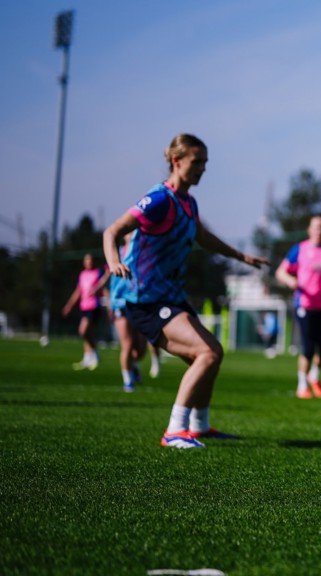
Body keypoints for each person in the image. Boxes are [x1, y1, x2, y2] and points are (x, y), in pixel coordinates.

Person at [103, 133, 269, 449]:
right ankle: (174, 430)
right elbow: (112, 231)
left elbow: (203, 237)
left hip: (169, 297)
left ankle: (199, 426)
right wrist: (113, 262)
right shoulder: (159, 199)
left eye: (205, 163)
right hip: (146, 299)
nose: (203, 169)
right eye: (197, 162)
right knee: (206, 353)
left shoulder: (189, 203)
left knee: (212, 354)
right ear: (177, 161)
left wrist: (241, 256)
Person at [275, 215, 321, 399]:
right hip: (305, 304)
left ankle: (314, 375)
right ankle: (302, 384)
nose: (319, 230)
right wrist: (290, 280)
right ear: (309, 229)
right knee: (307, 347)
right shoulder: (299, 249)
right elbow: (280, 272)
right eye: (316, 227)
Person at [107, 233, 146, 392]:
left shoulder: (143, 253)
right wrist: (111, 304)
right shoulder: (117, 254)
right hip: (121, 304)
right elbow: (112, 282)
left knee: (141, 350)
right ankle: (128, 381)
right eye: (128, 231)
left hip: (139, 303)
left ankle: (133, 364)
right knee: (127, 344)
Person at [62, 253, 106, 371]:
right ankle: (87, 359)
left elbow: (104, 289)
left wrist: (109, 304)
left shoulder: (98, 272)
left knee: (83, 331)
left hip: (94, 306)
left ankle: (95, 353)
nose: (89, 262)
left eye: (90, 260)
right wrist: (69, 305)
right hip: (84, 306)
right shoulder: (82, 275)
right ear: (84, 262)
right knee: (87, 333)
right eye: (87, 260)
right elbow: (78, 291)